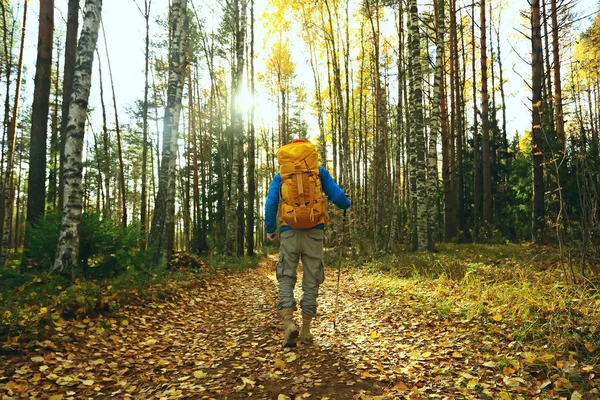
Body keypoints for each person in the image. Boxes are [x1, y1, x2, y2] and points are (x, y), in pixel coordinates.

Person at [265, 139, 350, 348]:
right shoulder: (317, 171)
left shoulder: (282, 175)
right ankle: (305, 330)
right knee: (311, 279)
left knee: (286, 276)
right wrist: (345, 205)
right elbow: (337, 195)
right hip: (314, 231)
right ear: (308, 154)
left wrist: (270, 229)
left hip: (289, 231)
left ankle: (288, 323)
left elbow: (270, 202)